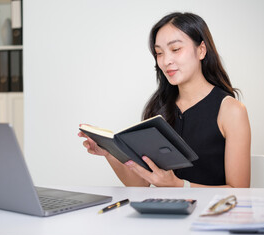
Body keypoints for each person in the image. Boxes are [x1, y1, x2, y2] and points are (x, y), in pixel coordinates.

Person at [78, 12, 251, 188]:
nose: (166, 60)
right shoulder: (158, 108)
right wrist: (110, 151)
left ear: (201, 50)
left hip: (211, 214)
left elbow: (239, 191)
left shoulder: (231, 110)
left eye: (175, 49)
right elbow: (141, 184)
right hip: (164, 214)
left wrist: (179, 185)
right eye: (159, 53)